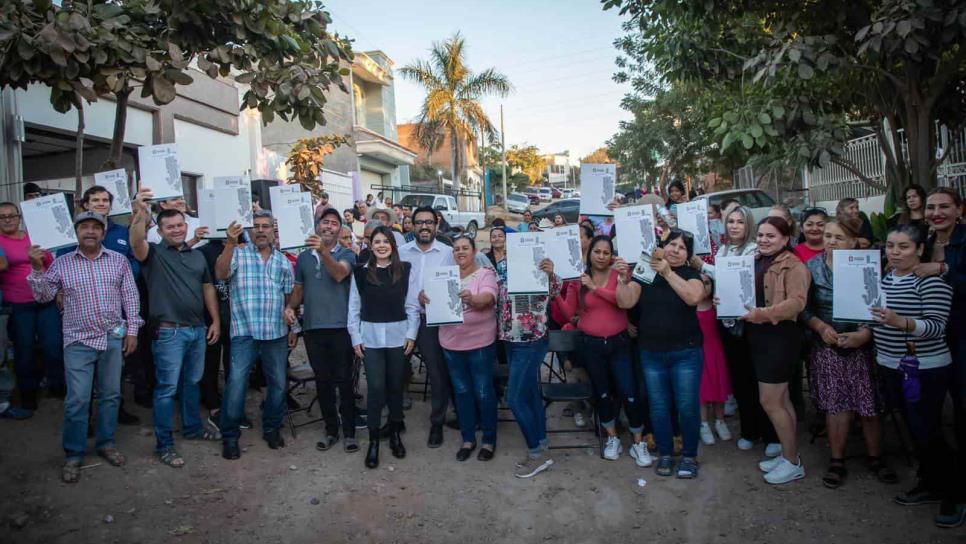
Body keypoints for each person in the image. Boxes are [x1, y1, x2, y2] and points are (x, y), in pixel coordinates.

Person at [26, 211, 142, 483]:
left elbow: (130, 297)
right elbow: (43, 296)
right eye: (84, 227)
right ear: (76, 232)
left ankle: (106, 443)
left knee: (111, 395)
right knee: (77, 399)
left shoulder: (118, 261)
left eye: (95, 227)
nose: (90, 232)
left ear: (103, 232)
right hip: (78, 340)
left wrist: (133, 331)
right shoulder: (62, 263)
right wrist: (36, 268)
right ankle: (74, 453)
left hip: (112, 338)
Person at [130, 189, 222, 468]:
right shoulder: (153, 254)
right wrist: (139, 212)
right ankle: (164, 445)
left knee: (192, 383)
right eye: (169, 227)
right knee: (167, 389)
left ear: (186, 225)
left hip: (196, 330)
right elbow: (136, 241)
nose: (176, 230)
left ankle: (193, 428)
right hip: (169, 332)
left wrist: (215, 320)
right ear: (160, 230)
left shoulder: (195, 256)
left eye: (180, 225)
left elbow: (207, 288)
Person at [802, 218, 895, 489]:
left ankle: (876, 458)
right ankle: (837, 460)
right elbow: (805, 310)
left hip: (862, 344)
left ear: (853, 241)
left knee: (869, 405)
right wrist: (820, 327)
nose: (831, 241)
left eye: (838, 237)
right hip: (828, 344)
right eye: (828, 236)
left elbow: (878, 306)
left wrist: (865, 333)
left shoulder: (868, 265)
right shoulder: (812, 267)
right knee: (836, 404)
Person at [871, 225, 953, 508]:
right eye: (890, 246)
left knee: (927, 431)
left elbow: (936, 327)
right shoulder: (884, 279)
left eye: (903, 246)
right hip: (890, 365)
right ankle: (929, 483)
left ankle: (954, 495)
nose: (894, 252)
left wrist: (900, 322)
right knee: (913, 430)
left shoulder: (930, 283)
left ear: (919, 250)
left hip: (925, 369)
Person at [616, 230, 705, 478]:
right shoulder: (645, 273)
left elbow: (693, 297)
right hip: (651, 353)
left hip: (685, 353)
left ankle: (689, 456)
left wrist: (667, 272)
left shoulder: (691, 275)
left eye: (682, 247)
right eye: (671, 244)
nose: (675, 250)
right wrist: (623, 279)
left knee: (687, 407)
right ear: (662, 247)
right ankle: (665, 453)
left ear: (688, 255)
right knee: (658, 407)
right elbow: (625, 302)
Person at [557, 236, 651, 465]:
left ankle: (639, 442)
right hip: (591, 345)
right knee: (602, 393)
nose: (601, 256)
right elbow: (569, 313)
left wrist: (594, 287)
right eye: (596, 251)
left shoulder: (619, 273)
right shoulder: (580, 280)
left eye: (605, 252)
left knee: (629, 392)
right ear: (589, 254)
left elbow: (621, 302)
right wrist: (554, 292)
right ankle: (612, 438)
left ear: (612, 255)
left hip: (619, 343)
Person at [216, 212, 296, 460]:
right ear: (249, 230)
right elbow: (220, 273)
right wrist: (230, 242)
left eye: (266, 227)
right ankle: (230, 436)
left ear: (274, 230)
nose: (261, 230)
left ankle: (272, 428)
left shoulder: (283, 262)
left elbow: (289, 297)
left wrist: (292, 321)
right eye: (256, 226)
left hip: (275, 333)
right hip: (244, 332)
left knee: (278, 384)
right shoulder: (238, 254)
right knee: (237, 384)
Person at [698, 206, 777, 452]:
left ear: (749, 225)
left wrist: (701, 264)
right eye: (730, 221)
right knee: (740, 381)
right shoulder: (723, 249)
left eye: (740, 222)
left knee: (758, 382)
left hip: (752, 324)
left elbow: (731, 275)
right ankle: (749, 431)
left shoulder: (754, 250)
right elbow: (722, 281)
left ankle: (771, 436)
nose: (734, 226)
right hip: (729, 326)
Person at [739, 217, 810, 484]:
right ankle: (788, 454)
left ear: (785, 239)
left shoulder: (793, 266)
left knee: (771, 401)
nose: (764, 240)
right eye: (760, 235)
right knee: (782, 400)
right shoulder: (757, 260)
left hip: (779, 337)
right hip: (760, 335)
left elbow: (797, 303)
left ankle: (793, 462)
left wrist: (763, 314)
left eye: (771, 236)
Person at [285, 208, 358, 454]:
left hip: (341, 329)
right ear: (317, 226)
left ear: (340, 229)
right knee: (323, 382)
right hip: (313, 329)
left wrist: (323, 251)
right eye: (325, 222)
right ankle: (331, 431)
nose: (329, 227)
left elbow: (339, 274)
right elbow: (298, 290)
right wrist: (290, 308)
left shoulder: (347, 253)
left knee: (345, 381)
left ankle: (349, 432)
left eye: (334, 224)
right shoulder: (304, 257)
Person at [348, 226, 419, 468]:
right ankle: (374, 441)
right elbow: (353, 308)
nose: (381, 245)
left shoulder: (405, 270)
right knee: (376, 387)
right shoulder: (360, 273)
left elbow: (411, 306)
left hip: (399, 337)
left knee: (395, 386)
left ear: (392, 245)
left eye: (385, 241)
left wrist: (411, 333)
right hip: (370, 338)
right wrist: (355, 337)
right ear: (370, 245)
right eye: (376, 241)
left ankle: (396, 432)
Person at [919, 188, 966, 526]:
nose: (937, 213)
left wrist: (942, 269)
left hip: (961, 338)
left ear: (959, 210)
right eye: (932, 207)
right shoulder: (922, 239)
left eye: (944, 207)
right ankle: (932, 481)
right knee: (925, 417)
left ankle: (958, 494)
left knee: (962, 417)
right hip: (925, 341)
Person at [438, 234, 500, 462]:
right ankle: (468, 439)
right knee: (462, 392)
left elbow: (488, 298)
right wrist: (426, 297)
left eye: (465, 248)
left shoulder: (485, 274)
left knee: (483, 392)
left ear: (474, 251)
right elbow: (434, 302)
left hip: (480, 344)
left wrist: (472, 299)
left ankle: (489, 440)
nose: (460, 252)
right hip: (450, 343)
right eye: (456, 249)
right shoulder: (445, 276)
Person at [400, 206, 456, 448]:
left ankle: (437, 421)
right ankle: (394, 419)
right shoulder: (400, 252)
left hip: (432, 321)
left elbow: (454, 283)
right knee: (395, 369)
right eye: (419, 222)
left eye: (429, 222)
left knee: (436, 372)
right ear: (411, 226)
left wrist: (435, 294)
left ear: (436, 225)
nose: (424, 226)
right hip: (401, 319)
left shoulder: (448, 252)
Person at [500, 249, 559, 478]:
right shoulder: (504, 267)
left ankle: (536, 454)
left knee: (513, 398)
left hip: (532, 339)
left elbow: (555, 291)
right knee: (531, 393)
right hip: (509, 338)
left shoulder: (543, 266)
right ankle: (542, 442)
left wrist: (551, 273)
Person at [0, 201, 63, 409]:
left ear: (19, 218)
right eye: (2, 216)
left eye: (12, 215)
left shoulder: (33, 236)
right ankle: (28, 393)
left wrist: (59, 290)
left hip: (46, 300)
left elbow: (50, 265)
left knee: (53, 347)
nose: (8, 219)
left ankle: (58, 386)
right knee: (24, 351)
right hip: (19, 305)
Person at [696, 272, 732, 446]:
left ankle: (720, 421)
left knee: (719, 387)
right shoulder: (690, 304)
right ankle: (703, 424)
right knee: (702, 390)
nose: (705, 286)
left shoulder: (716, 304)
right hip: (698, 351)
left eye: (708, 283)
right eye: (701, 283)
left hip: (716, 350)